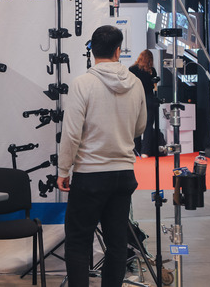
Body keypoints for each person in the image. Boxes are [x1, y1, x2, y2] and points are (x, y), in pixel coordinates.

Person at [57, 25, 146, 287]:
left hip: (90, 175)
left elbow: (71, 133)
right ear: (118, 51)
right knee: (117, 243)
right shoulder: (136, 83)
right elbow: (139, 127)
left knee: (78, 242)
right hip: (123, 174)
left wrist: (63, 170)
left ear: (92, 50)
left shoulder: (83, 84)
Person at [129, 50, 159, 157]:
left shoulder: (132, 69)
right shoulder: (152, 71)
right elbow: (154, 87)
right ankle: (145, 151)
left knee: (136, 125)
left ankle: (136, 150)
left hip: (136, 98)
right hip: (148, 98)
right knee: (148, 125)